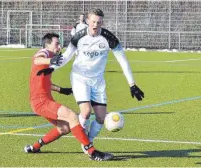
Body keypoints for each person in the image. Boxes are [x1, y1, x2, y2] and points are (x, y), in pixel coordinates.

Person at [48, 8, 144, 154]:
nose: (95, 25)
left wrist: (132, 84)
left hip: (98, 81)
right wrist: (50, 68)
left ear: (102, 23)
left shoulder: (109, 38)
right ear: (87, 21)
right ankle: (85, 142)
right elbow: (66, 56)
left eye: (98, 22)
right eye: (93, 22)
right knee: (86, 112)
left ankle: (89, 141)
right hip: (80, 78)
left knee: (100, 118)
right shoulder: (79, 36)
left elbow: (123, 61)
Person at [24, 32, 113, 161]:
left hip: (44, 101)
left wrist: (61, 90)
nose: (59, 47)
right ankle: (91, 151)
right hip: (41, 102)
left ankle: (35, 147)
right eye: (57, 44)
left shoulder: (48, 59)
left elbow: (44, 82)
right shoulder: (44, 53)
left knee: (64, 128)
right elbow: (37, 59)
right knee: (72, 116)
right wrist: (51, 60)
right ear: (47, 44)